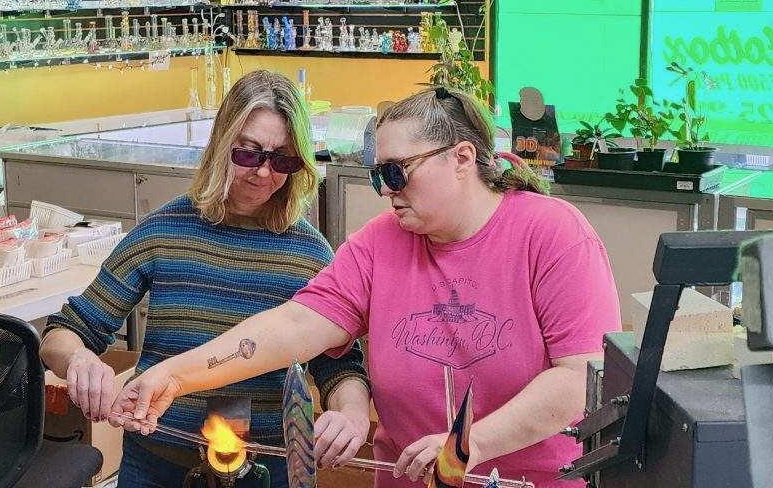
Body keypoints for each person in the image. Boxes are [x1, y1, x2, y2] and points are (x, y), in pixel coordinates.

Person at [108, 86, 621, 487]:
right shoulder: (381, 242)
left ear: (462, 158)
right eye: (379, 176)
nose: (386, 191)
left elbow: (579, 378)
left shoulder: (552, 234)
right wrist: (174, 376)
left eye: (397, 172)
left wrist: (465, 446)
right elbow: (296, 324)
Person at [40, 70, 373, 487]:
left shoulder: (310, 254)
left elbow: (340, 367)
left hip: (265, 471)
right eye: (248, 153)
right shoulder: (165, 230)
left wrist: (351, 413)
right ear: (219, 145)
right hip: (157, 466)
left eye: (282, 160)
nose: (263, 174)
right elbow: (64, 332)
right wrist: (78, 359)